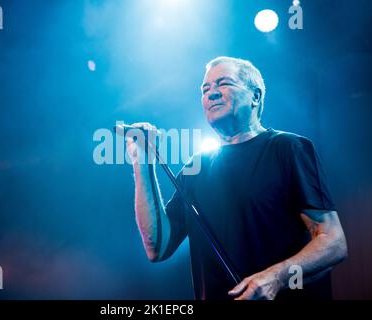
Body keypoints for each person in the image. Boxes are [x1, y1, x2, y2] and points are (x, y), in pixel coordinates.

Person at [125, 56, 348, 300]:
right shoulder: (196, 168)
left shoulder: (287, 148)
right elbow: (157, 248)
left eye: (224, 84)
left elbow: (333, 241)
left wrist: (276, 277)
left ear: (255, 96)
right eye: (205, 88)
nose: (212, 93)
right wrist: (142, 164)